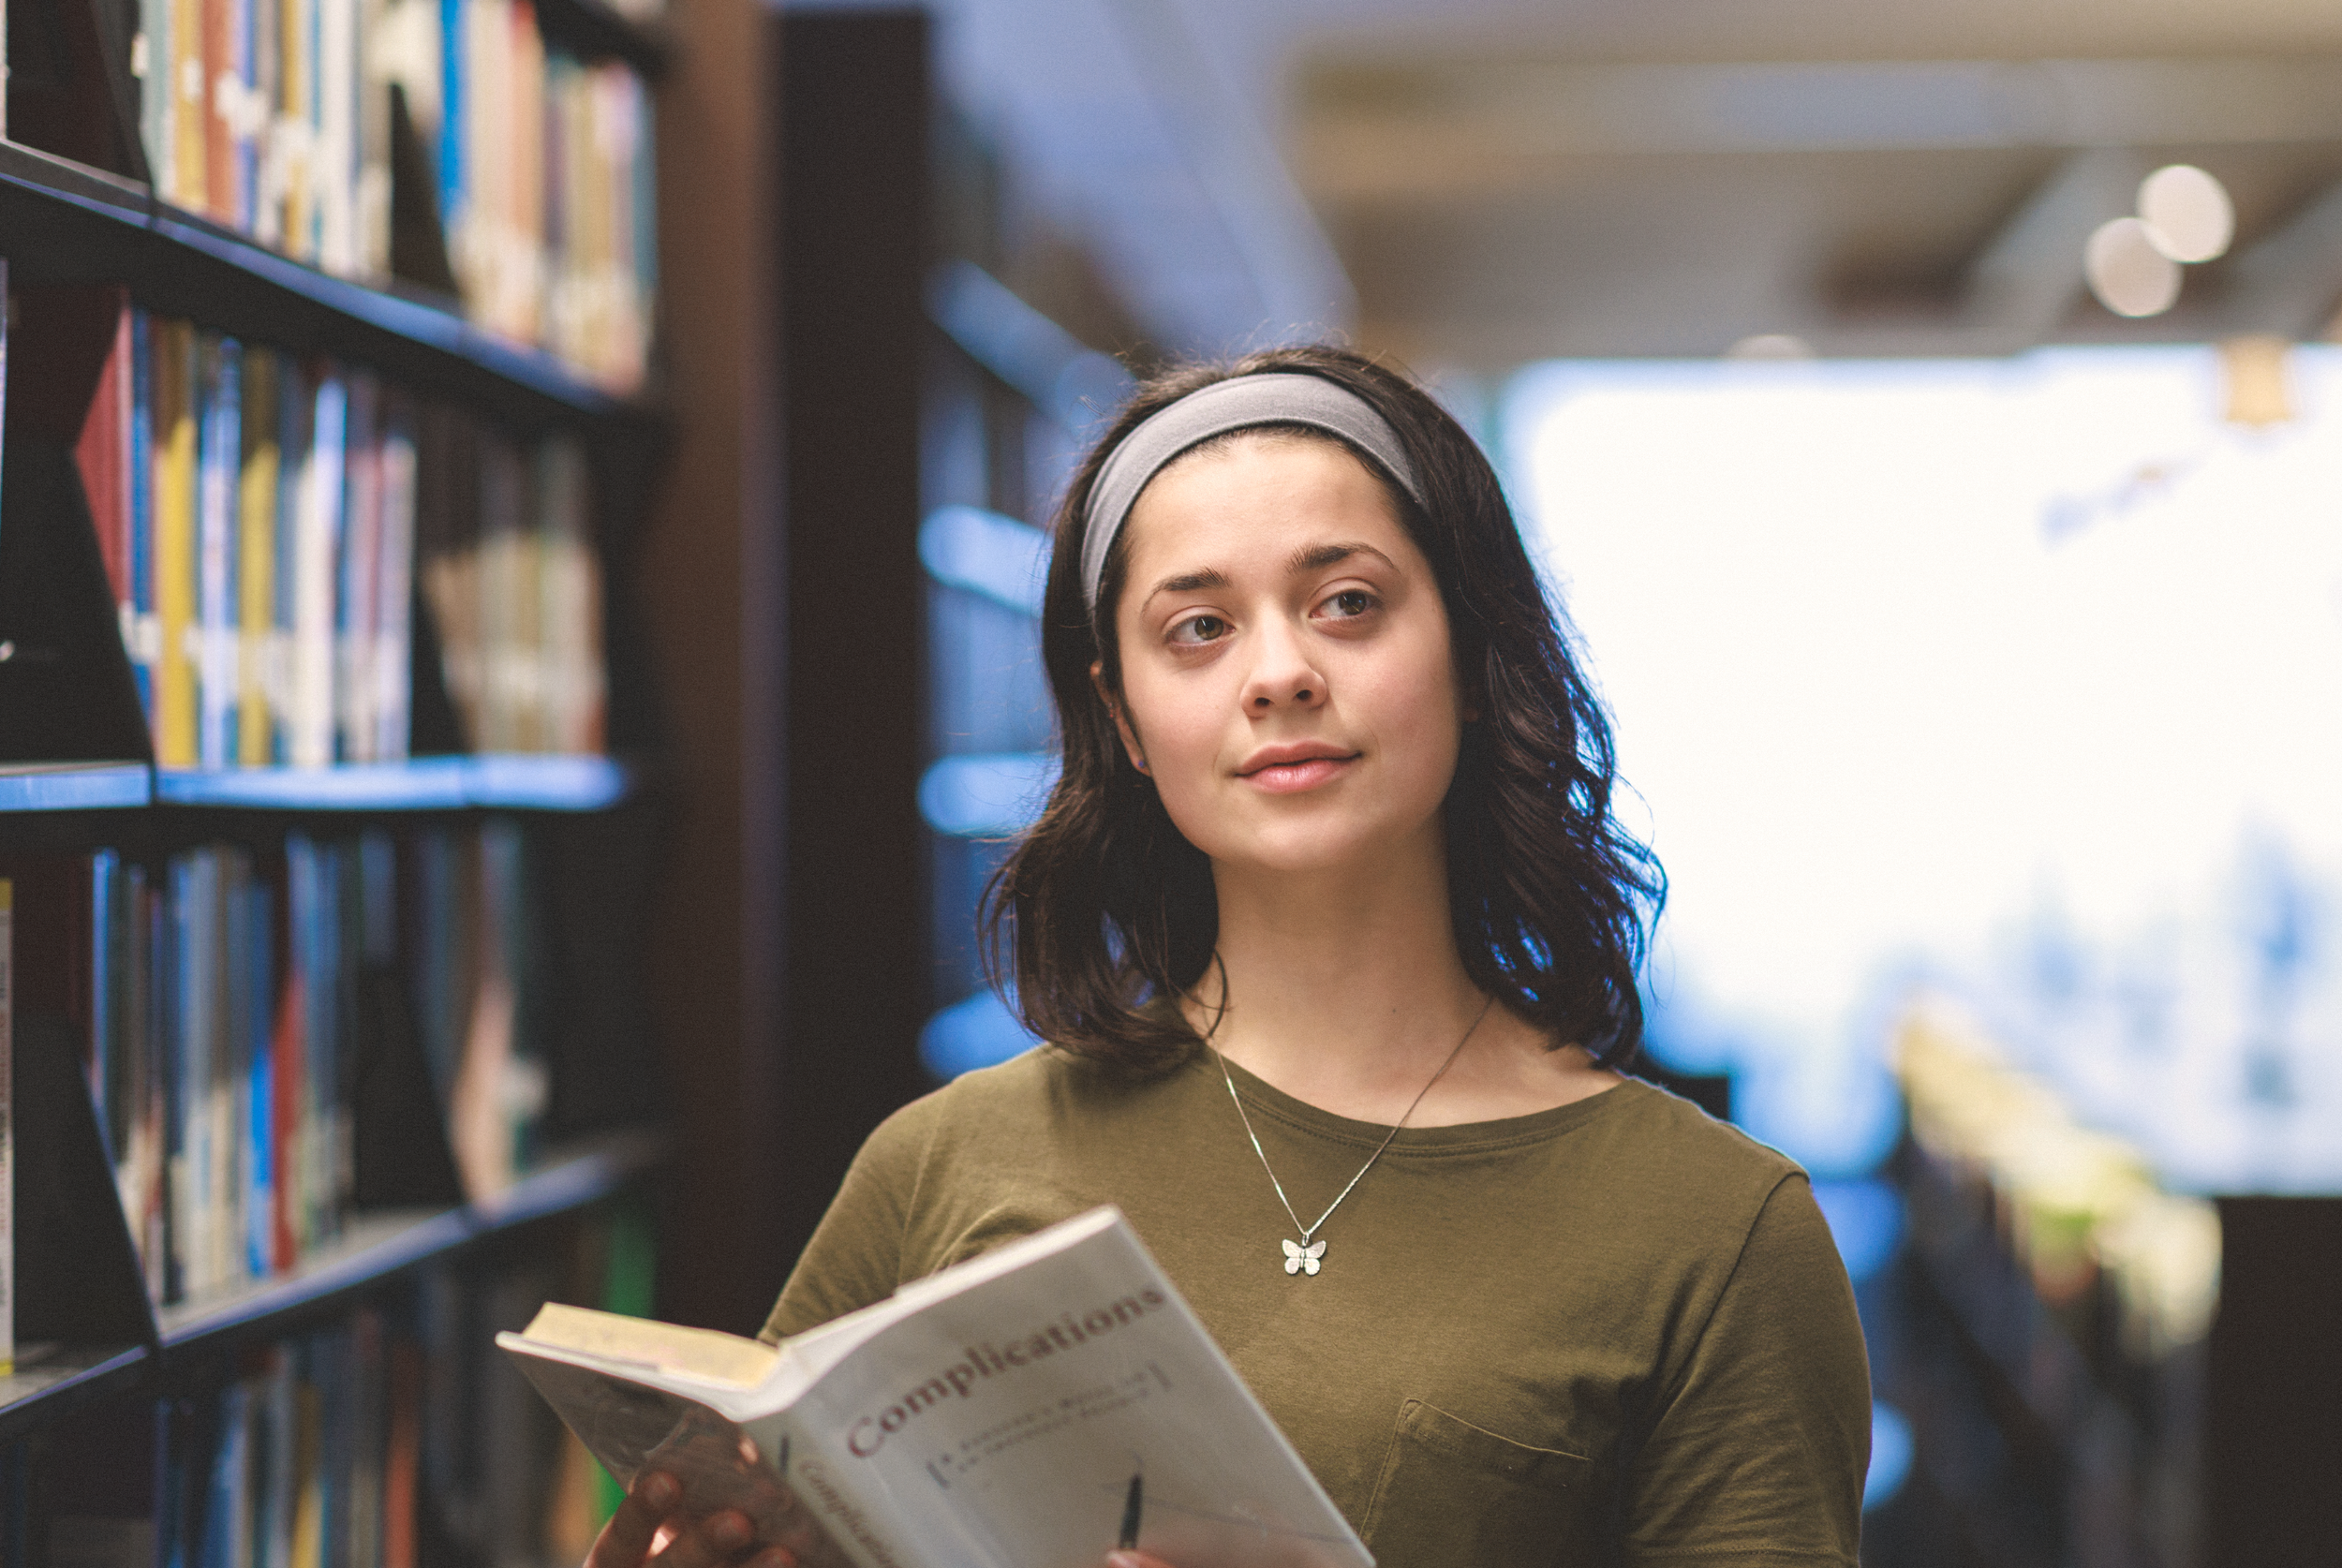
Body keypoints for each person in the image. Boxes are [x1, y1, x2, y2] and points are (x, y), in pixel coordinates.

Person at [589, 346, 1871, 1568]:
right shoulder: (942, 1163)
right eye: (1198, 627)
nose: (1279, 673)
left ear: (1472, 656)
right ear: (1124, 717)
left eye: (1348, 603)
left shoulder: (1716, 1231)